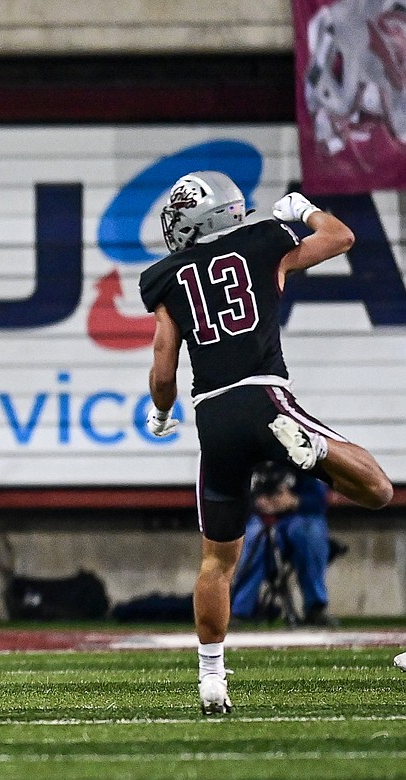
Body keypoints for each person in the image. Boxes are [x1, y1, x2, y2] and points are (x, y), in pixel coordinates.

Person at [138, 172, 393, 715]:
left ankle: (211, 680)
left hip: (213, 418)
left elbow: (163, 367)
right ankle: (316, 450)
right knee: (376, 489)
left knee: (216, 563)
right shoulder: (263, 244)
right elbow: (342, 237)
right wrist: (304, 211)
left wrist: (162, 412)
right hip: (265, 397)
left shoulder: (165, 280)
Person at [231, 461, 337, 627]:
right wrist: (257, 504)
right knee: (254, 535)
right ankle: (240, 610)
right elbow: (229, 500)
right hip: (259, 519)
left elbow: (319, 500)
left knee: (309, 531)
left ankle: (316, 607)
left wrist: (294, 501)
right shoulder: (245, 461)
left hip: (295, 520)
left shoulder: (299, 458)